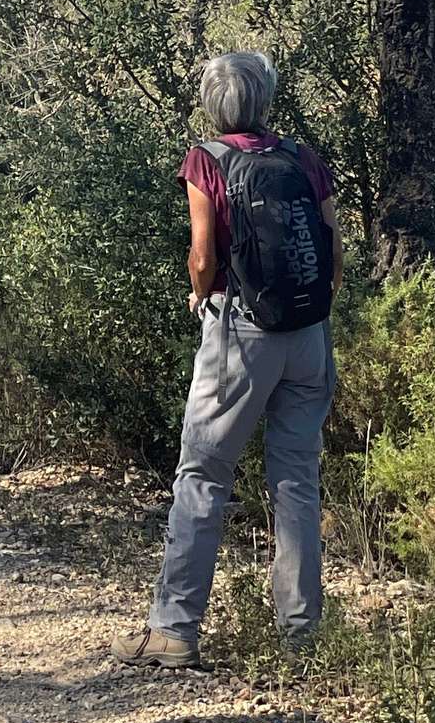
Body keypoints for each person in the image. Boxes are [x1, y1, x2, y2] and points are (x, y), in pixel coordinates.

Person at [114, 48, 341, 670]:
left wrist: (200, 294)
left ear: (212, 104)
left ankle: (174, 629)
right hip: (308, 333)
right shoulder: (302, 159)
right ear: (265, 99)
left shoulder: (206, 160)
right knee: (297, 480)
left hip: (241, 333)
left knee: (204, 474)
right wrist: (310, 313)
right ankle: (302, 638)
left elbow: (202, 254)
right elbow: (333, 249)